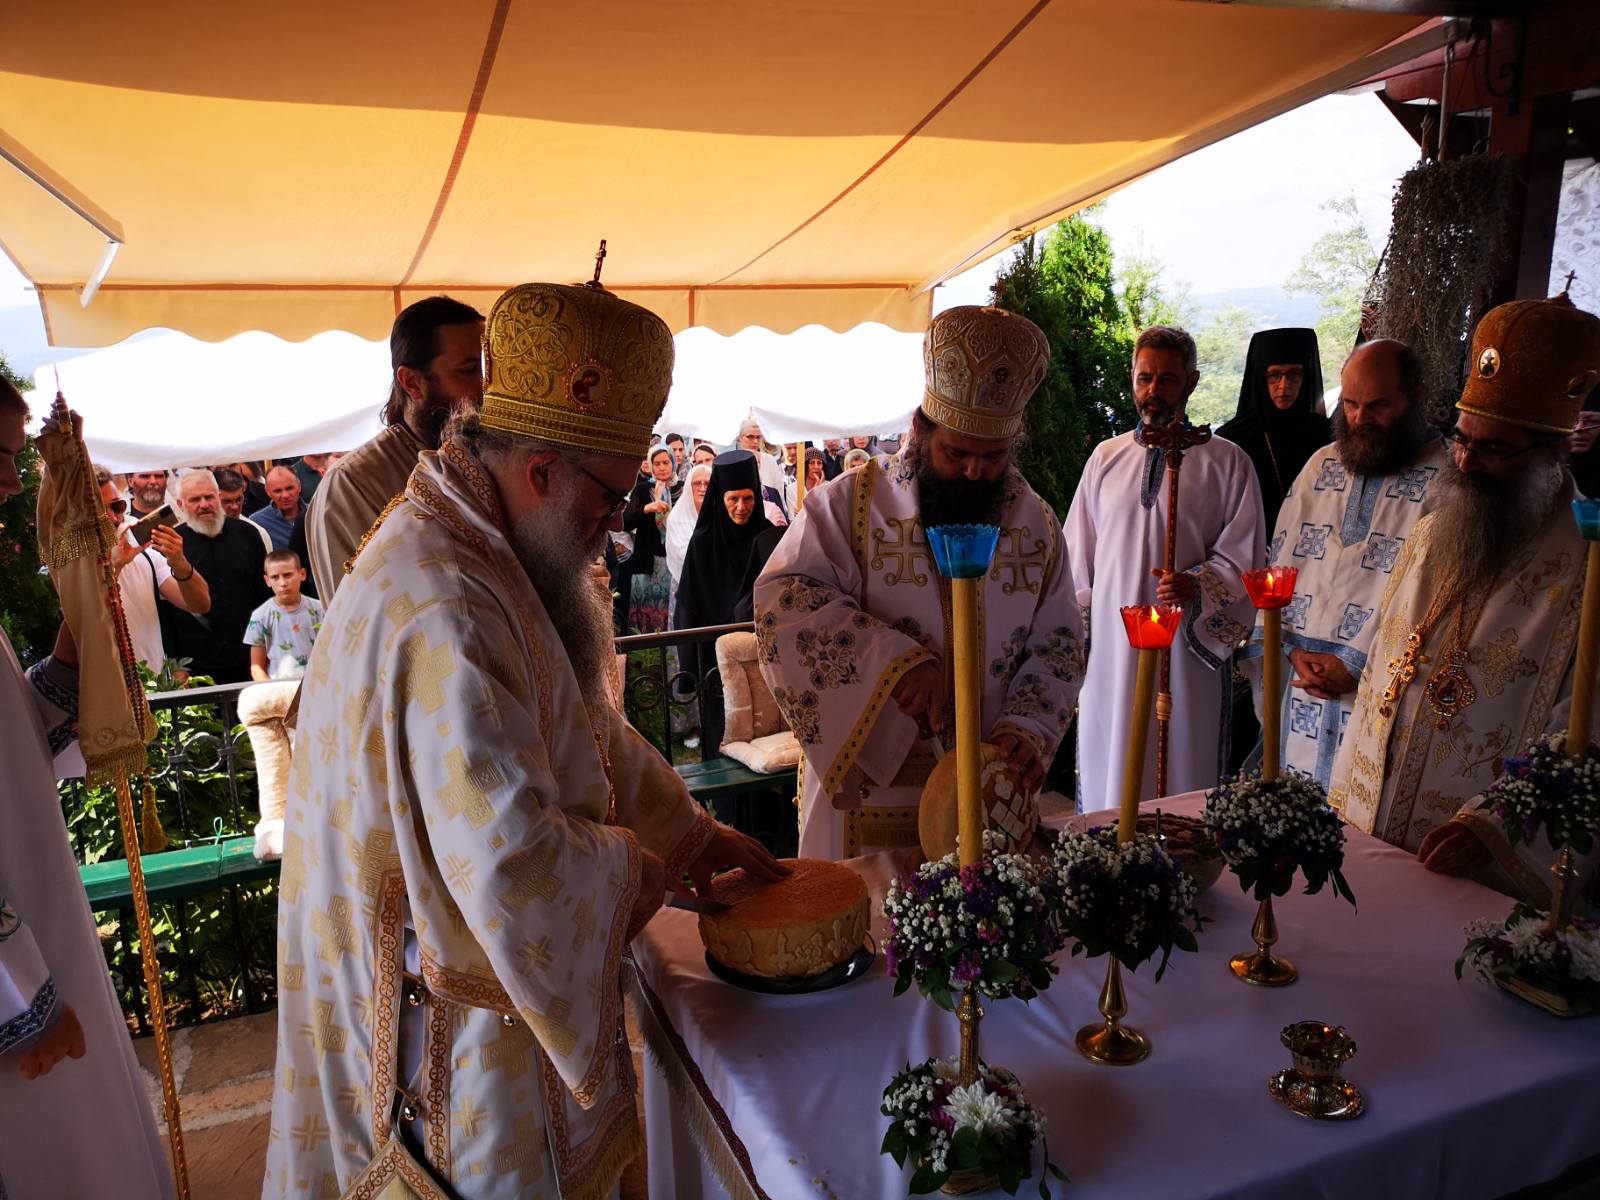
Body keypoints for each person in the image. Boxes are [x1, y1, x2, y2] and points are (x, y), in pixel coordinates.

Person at [264, 278, 782, 1199]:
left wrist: (692, 835)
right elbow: (512, 864)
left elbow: (577, 723)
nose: (613, 524)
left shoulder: (479, 540)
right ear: (541, 470)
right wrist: (635, 871)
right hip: (444, 1040)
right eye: (609, 497)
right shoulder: (451, 604)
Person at [756, 306, 1084, 859]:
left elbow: (1059, 642)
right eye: (956, 453)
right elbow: (782, 602)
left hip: (986, 793)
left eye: (993, 456)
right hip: (870, 793)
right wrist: (895, 664)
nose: (975, 472)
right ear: (919, 430)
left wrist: (1027, 727)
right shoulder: (847, 506)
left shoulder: (1036, 524)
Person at [1331, 293, 1600, 903]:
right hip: (1372, 827)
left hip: (1476, 863)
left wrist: (1495, 826)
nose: (1468, 461)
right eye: (1462, 439)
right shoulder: (1435, 530)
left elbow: (1587, 727)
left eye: (1495, 448)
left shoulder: (1589, 564)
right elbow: (1383, 672)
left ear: (1553, 451)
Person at [0, 379, 176, 1198]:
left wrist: (79, 634)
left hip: (43, 926)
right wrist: (22, 998)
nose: (10, 484)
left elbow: (13, 741)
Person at [1065, 325, 1263, 812]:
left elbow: (1245, 553)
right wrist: (1082, 634)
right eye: (1144, 377)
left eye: (1167, 379)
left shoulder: (1228, 463)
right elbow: (1076, 556)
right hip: (1112, 646)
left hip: (1184, 647)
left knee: (1182, 759)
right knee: (1111, 756)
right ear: (1132, 378)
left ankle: (1182, 845)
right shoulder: (1105, 458)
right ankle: (1107, 842)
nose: (1153, 390)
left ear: (1191, 382)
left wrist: (1198, 585)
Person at [1241, 339, 1446, 787]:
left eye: (1377, 405)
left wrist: (1355, 663)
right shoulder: (1321, 466)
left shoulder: (1447, 479)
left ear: (1415, 396)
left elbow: (1436, 596)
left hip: (1385, 685)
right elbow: (1283, 563)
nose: (1359, 418)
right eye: (1350, 404)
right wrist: (1291, 650)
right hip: (1302, 683)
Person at [307, 296, 485, 602]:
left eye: (489, 369)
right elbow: (362, 614)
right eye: (469, 370)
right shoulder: (352, 485)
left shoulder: (485, 459)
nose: (487, 386)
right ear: (412, 383)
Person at [675, 450, 785, 753]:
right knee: (723, 737)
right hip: (715, 664)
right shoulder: (702, 543)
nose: (741, 507)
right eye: (733, 499)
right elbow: (688, 607)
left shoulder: (767, 537)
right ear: (720, 498)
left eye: (748, 498)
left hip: (759, 659)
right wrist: (689, 670)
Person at [97, 468, 211, 676]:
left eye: (117, 506)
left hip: (153, 681)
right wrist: (116, 566)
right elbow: (90, 621)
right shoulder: (71, 561)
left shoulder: (140, 545)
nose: (114, 517)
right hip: (105, 682)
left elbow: (200, 604)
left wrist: (179, 562)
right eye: (101, 511)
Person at [1216, 328, 1330, 530]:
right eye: (1274, 375)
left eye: (1293, 374)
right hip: (1252, 541)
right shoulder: (1232, 439)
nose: (1284, 385)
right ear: (1261, 378)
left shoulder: (1327, 435)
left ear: (1305, 377)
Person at [165, 470, 270, 683]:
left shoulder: (248, 534)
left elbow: (265, 595)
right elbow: (166, 611)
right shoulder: (172, 544)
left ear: (218, 498)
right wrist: (176, 666)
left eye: (209, 497)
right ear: (181, 505)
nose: (204, 505)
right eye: (195, 499)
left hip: (250, 658)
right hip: (196, 664)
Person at [621, 445, 680, 632]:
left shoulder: (682, 488)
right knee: (646, 614)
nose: (662, 467)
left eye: (666, 462)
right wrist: (647, 509)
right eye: (657, 463)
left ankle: (673, 651)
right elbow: (624, 522)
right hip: (647, 564)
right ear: (651, 466)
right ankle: (648, 651)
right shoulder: (642, 489)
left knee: (672, 610)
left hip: (675, 562)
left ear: (673, 463)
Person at [244, 550, 325, 682]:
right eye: (275, 577)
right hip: (279, 688)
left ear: (302, 574)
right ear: (267, 580)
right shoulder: (260, 616)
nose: (282, 583)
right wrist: (271, 690)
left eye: (287, 575)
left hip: (317, 685)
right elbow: (256, 667)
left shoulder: (321, 609)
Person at [737, 417, 790, 519]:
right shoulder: (733, 461)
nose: (755, 441)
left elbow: (779, 493)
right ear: (740, 438)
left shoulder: (769, 460)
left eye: (758, 437)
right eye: (750, 437)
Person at [247, 465, 302, 551]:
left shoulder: (314, 514)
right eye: (278, 491)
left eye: (289, 488)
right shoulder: (257, 522)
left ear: (299, 486)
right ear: (268, 492)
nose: (285, 495)